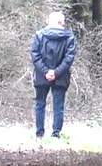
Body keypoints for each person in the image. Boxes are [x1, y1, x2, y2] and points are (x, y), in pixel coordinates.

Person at [30, 11, 76, 139]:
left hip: (41, 76)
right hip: (61, 77)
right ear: (62, 23)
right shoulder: (69, 37)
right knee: (58, 106)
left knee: (40, 104)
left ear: (48, 21)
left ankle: (39, 134)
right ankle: (55, 134)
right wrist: (56, 72)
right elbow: (69, 58)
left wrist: (45, 71)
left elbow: (35, 55)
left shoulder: (39, 35)